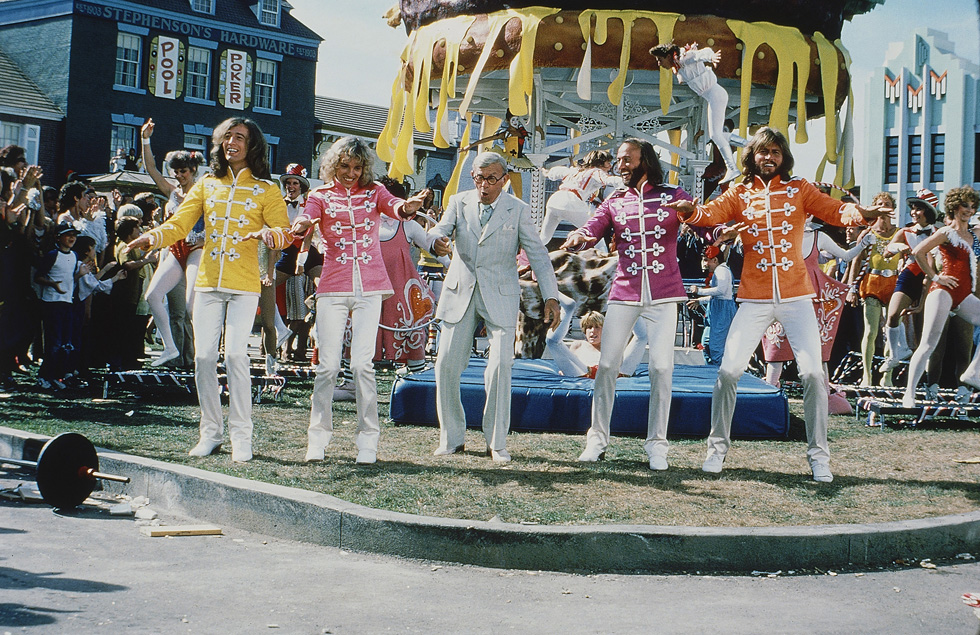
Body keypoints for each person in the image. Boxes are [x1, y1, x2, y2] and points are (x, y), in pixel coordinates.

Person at [668, 127, 886, 483]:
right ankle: (716, 450)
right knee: (728, 372)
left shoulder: (800, 188)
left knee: (813, 374)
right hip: (754, 298)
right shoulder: (740, 192)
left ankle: (819, 457)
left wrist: (859, 212)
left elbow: (834, 209)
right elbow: (710, 214)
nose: (768, 157)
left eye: (775, 152)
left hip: (797, 296)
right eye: (762, 152)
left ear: (783, 157)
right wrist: (690, 211)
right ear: (752, 156)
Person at [127, 117, 292, 463]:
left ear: (253, 144)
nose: (232, 142)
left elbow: (285, 233)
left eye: (240, 137)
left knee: (235, 356)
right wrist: (151, 237)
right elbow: (180, 224)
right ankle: (211, 432)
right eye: (227, 136)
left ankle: (242, 436)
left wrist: (270, 235)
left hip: (245, 284)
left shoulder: (267, 189)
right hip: (207, 282)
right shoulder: (207, 184)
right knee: (203, 358)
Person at [291, 137, 427, 465]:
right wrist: (302, 223)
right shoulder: (320, 195)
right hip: (333, 287)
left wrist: (407, 208)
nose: (351, 173)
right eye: (344, 166)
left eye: (357, 167)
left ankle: (368, 442)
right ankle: (317, 439)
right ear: (333, 166)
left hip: (371, 287)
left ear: (365, 168)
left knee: (362, 366)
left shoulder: (375, 192)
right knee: (327, 367)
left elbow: (395, 207)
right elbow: (307, 216)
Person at [562, 138, 692, 469]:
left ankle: (657, 445)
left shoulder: (673, 195)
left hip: (664, 293)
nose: (620, 165)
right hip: (624, 292)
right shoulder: (615, 201)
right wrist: (580, 237)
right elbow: (593, 227)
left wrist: (717, 232)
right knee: (607, 366)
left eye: (626, 159)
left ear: (644, 160)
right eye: (618, 160)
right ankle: (596, 440)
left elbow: (701, 222)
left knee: (661, 368)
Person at [428, 151, 560, 463]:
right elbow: (439, 230)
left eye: (491, 179)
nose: (484, 185)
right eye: (478, 178)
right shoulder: (458, 202)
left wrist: (551, 296)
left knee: (500, 367)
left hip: (501, 295)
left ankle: (496, 442)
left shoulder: (518, 210)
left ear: (504, 179)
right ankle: (451, 438)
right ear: (472, 177)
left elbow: (538, 255)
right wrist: (435, 241)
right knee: (445, 364)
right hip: (460, 292)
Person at [901, 186, 980, 408]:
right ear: (954, 207)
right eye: (965, 205)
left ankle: (973, 372)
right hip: (942, 291)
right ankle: (909, 393)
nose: (969, 210)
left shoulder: (974, 234)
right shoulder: (945, 232)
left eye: (972, 206)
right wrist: (936, 277)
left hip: (964, 295)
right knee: (928, 344)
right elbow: (918, 252)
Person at [140, 118, 206, 368]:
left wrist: (207, 237)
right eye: (176, 172)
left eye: (183, 172)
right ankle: (170, 347)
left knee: (191, 308)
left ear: (193, 171)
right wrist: (145, 139)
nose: (179, 176)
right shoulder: (173, 192)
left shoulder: (203, 192)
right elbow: (151, 169)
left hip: (197, 248)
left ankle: (203, 354)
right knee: (153, 296)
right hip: (174, 250)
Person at [650, 41, 740, 184]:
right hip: (713, 96)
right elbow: (683, 74)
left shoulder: (684, 58)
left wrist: (711, 57)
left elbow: (700, 54)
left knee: (715, 135)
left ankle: (732, 168)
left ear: (668, 56)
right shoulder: (679, 66)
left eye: (660, 59)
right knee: (717, 135)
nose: (659, 64)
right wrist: (680, 76)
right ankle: (747, 144)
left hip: (715, 94)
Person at [879, 188, 939, 372]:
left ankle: (926, 372)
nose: (913, 212)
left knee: (924, 329)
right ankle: (895, 354)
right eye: (912, 208)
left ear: (928, 212)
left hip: (930, 278)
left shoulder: (939, 233)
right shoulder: (905, 231)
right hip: (910, 274)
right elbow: (886, 252)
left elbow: (932, 268)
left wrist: (921, 301)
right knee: (892, 315)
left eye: (918, 209)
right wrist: (899, 247)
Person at [845, 192, 901, 386]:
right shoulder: (867, 233)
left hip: (894, 282)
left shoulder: (899, 232)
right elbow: (856, 261)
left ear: (893, 208)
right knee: (870, 331)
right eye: (880, 204)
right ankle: (867, 375)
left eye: (887, 204)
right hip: (872, 283)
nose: (884, 207)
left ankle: (888, 376)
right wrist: (852, 288)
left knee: (891, 331)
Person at [537, 150, 624, 246]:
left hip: (555, 201)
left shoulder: (575, 170)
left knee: (544, 238)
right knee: (595, 233)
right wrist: (627, 182)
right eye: (608, 163)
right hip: (570, 203)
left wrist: (546, 172)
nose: (610, 166)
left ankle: (527, 252)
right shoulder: (596, 171)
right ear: (600, 163)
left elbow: (556, 172)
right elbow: (609, 180)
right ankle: (601, 255)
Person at [33, 222, 80, 390]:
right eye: (68, 235)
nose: (72, 238)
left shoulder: (74, 255)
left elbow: (70, 279)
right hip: (52, 303)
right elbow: (38, 277)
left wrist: (80, 275)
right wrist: (52, 284)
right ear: (58, 238)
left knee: (65, 343)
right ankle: (44, 376)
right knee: (54, 342)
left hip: (67, 302)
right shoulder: (52, 255)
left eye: (74, 235)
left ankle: (56, 375)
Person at [688, 244, 737, 366]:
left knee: (716, 347)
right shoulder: (719, 270)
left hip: (722, 313)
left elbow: (721, 291)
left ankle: (718, 372)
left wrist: (699, 291)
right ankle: (711, 369)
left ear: (715, 260)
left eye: (706, 260)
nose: (704, 264)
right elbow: (717, 296)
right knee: (706, 343)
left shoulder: (722, 270)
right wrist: (700, 301)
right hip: (716, 310)